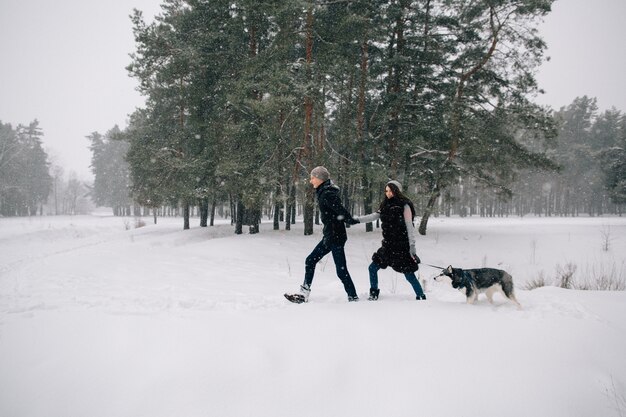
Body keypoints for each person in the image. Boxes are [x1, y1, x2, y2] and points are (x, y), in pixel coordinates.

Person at [290, 166, 360, 303]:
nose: (311, 181)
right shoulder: (323, 191)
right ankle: (303, 294)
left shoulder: (327, 193)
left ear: (320, 178)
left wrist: (349, 219)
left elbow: (341, 210)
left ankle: (353, 297)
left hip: (336, 236)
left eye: (312, 178)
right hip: (330, 235)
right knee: (310, 260)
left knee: (341, 270)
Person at [353, 180, 426, 301]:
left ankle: (421, 295)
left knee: (409, 275)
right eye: (386, 191)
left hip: (401, 248)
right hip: (387, 247)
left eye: (391, 190)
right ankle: (374, 293)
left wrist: (412, 247)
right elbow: (373, 216)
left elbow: (409, 227)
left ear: (397, 191)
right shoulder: (385, 205)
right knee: (372, 268)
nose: (388, 193)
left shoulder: (405, 205)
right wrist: (356, 220)